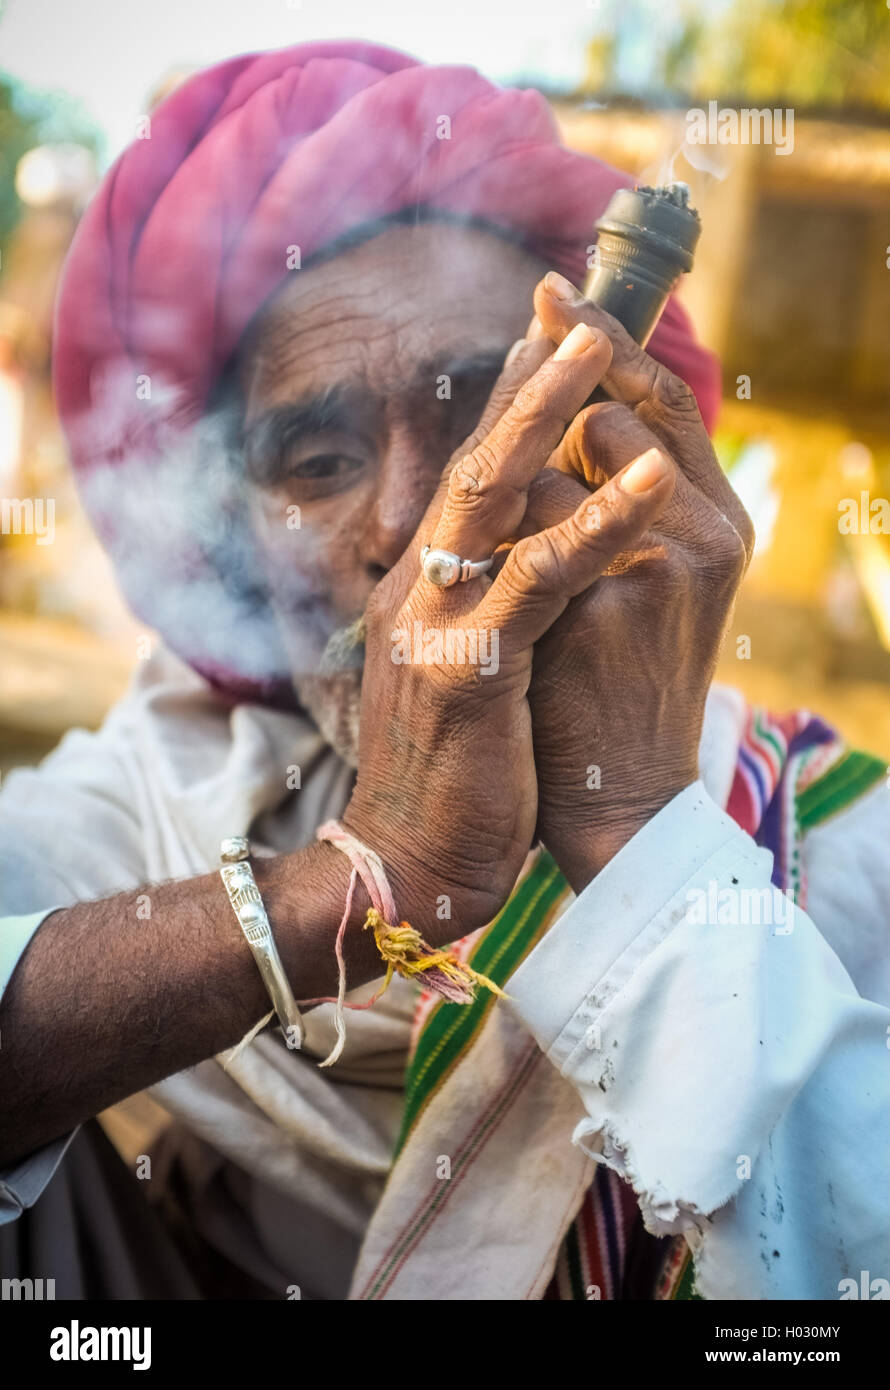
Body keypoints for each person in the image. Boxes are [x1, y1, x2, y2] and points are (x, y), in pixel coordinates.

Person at [0, 40, 887, 1302]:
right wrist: (368, 881)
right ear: (232, 547)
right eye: (316, 462)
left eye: (485, 409)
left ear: (613, 451)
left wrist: (637, 834)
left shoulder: (830, 845)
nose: (419, 527)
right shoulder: (151, 804)